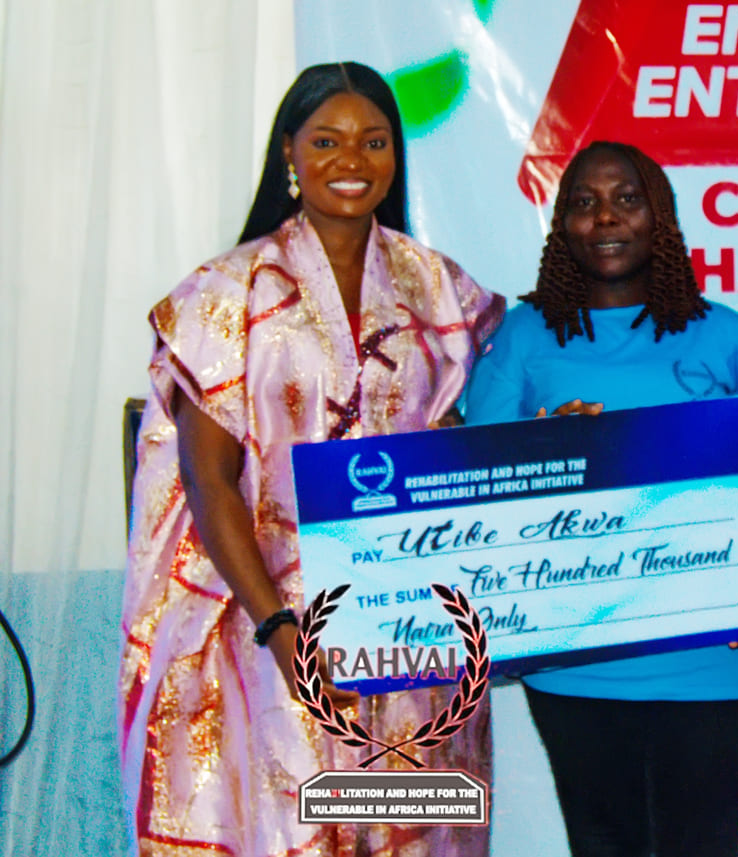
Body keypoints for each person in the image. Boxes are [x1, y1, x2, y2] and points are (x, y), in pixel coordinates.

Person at [118, 62, 503, 857]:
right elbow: (208, 479)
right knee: (291, 826)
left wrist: (550, 441)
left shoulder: (438, 289)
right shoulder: (225, 292)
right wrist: (278, 626)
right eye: (326, 141)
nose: (351, 160)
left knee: (408, 827)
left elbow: (457, 450)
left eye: (373, 141)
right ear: (289, 153)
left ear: (395, 155)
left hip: (408, 632)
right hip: (265, 625)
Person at [466, 141, 738, 857]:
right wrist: (543, 444)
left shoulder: (728, 337)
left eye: (626, 199)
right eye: (584, 202)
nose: (605, 217)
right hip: (577, 657)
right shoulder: (522, 338)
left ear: (660, 216)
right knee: (602, 845)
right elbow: (477, 489)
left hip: (709, 654)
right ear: (562, 225)